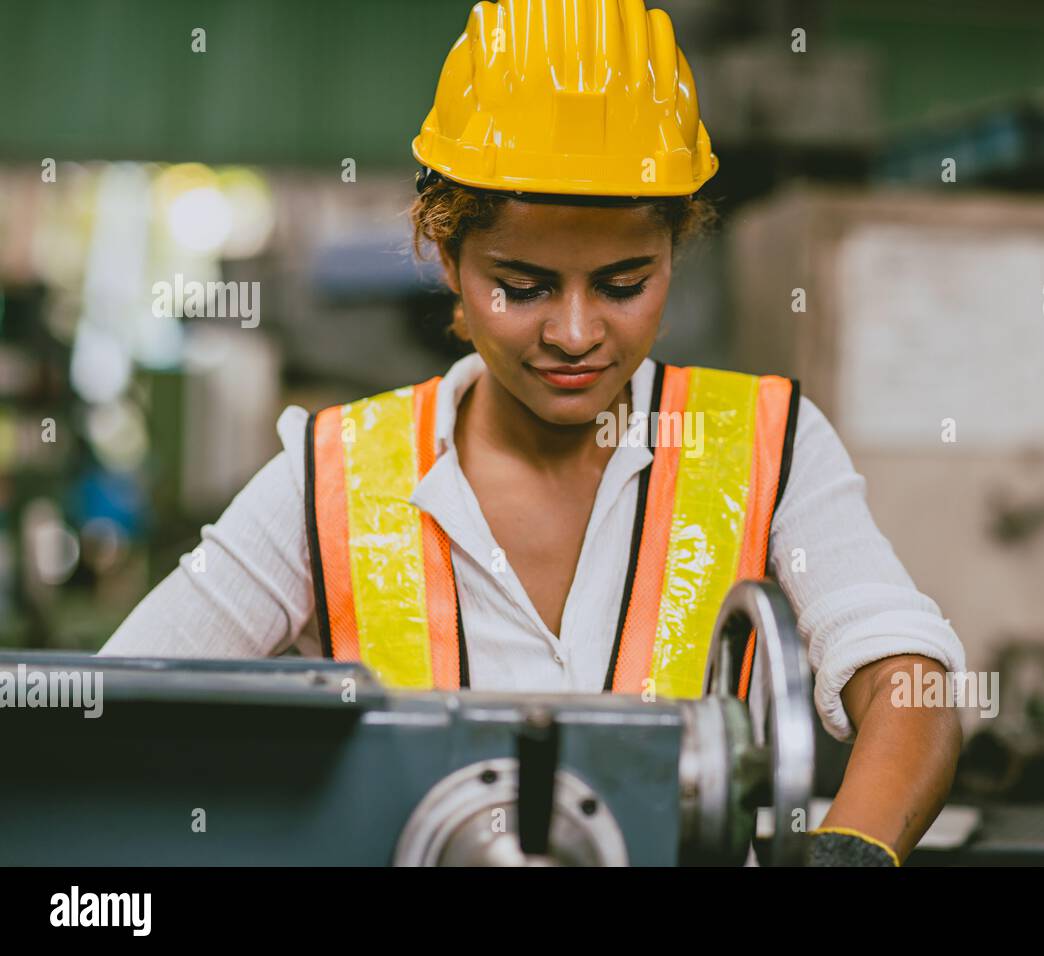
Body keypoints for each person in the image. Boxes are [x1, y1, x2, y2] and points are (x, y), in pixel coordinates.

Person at [102, 0, 964, 867]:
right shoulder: (328, 477)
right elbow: (118, 707)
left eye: (625, 284)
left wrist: (851, 852)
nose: (577, 333)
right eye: (524, 285)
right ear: (446, 257)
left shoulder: (767, 446)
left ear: (677, 247)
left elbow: (910, 680)